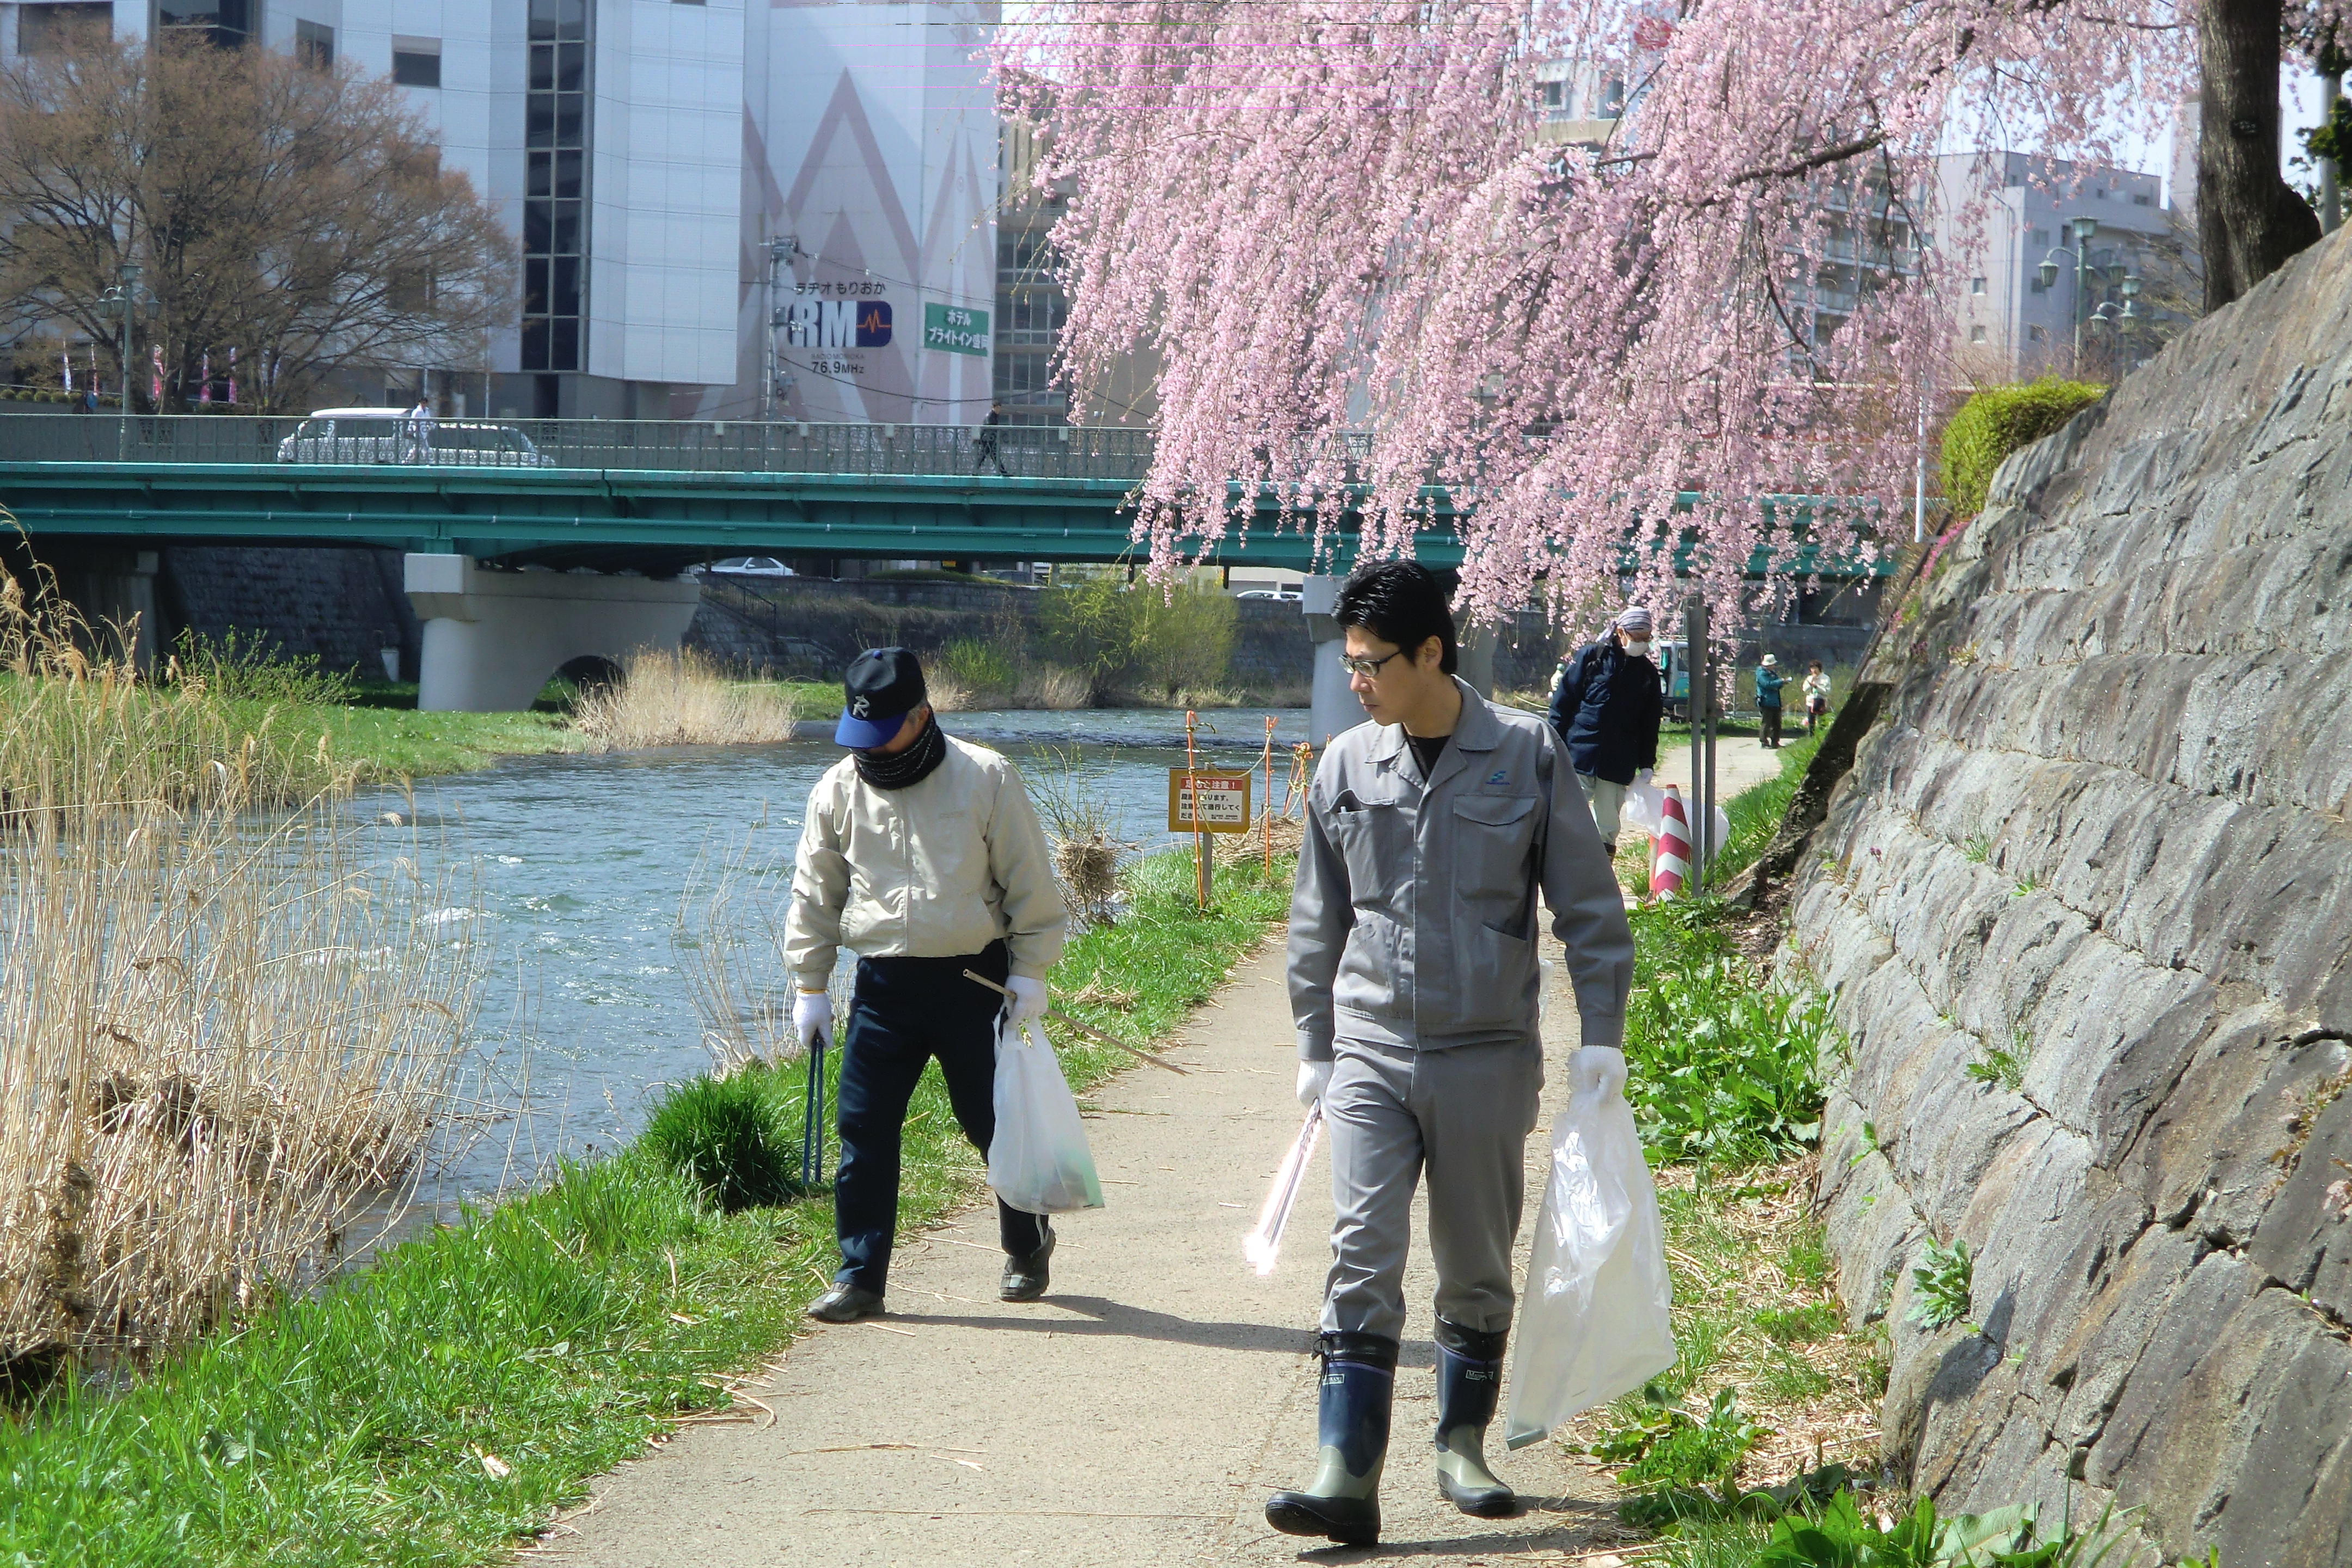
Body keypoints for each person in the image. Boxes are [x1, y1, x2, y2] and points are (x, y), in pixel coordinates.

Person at [1270, 561, 1635, 1546]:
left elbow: (1591, 913)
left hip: (1485, 1055)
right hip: (1371, 1051)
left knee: (1474, 1260)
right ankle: (1345, 1470)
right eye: (1350, 663)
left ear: (1431, 653)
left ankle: (1461, 1443)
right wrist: (1316, 1044)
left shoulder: (1526, 754)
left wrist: (1601, 1038)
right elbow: (1317, 918)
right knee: (1361, 1249)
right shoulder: (1345, 765)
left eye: (1371, 663)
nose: (1357, 681)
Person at [785, 647, 1068, 1322]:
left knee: (991, 1124)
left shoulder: (985, 777)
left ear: (922, 714)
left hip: (973, 980)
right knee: (864, 1128)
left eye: (885, 730)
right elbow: (815, 895)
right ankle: (860, 1276)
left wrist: (1029, 974)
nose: (871, 748)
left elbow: (1031, 883)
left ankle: (1027, 1246)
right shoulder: (836, 789)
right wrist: (810, 985)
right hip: (882, 986)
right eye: (861, 734)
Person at [1545, 605, 1664, 854]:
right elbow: (1563, 703)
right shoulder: (1592, 658)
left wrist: (1647, 763)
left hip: (1619, 759)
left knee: (1607, 822)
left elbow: (1650, 722)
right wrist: (1553, 743)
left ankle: (1600, 868)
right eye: (1637, 637)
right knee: (1565, 812)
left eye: (1646, 638)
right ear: (1620, 632)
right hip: (1579, 753)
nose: (1642, 643)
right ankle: (1563, 862)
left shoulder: (1647, 674)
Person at [1755, 653, 1786, 749]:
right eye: (1772, 664)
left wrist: (1782, 683)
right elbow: (1766, 684)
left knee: (1777, 723)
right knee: (1766, 723)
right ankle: (1764, 742)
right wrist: (1779, 682)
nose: (1774, 666)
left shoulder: (1773, 674)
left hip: (1775, 701)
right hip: (1766, 701)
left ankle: (1775, 742)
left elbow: (1776, 684)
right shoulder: (1761, 673)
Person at [973, 401, 1008, 476]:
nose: (999, 410)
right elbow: (989, 427)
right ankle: (1003, 472)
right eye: (998, 408)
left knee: (991, 456)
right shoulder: (990, 416)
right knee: (988, 456)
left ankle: (1003, 472)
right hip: (988, 439)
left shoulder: (994, 415)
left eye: (1000, 408)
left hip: (989, 439)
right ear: (994, 407)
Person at [1802, 659, 1832, 736]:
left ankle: (1822, 736)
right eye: (1812, 668)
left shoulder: (1826, 678)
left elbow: (1827, 692)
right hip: (1810, 703)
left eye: (1816, 668)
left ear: (1819, 668)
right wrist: (1811, 684)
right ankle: (1811, 737)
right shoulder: (1809, 678)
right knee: (1811, 722)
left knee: (1822, 722)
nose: (1814, 670)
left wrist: (1817, 687)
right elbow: (1805, 690)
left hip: (1821, 702)